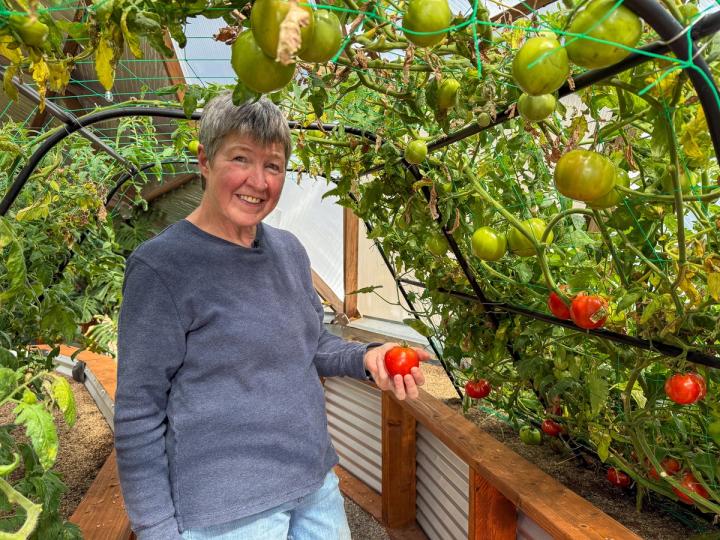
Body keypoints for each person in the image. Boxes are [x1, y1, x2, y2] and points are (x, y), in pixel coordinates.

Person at [114, 91, 430, 540]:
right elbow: (139, 412)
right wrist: (155, 529)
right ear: (205, 160)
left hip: (314, 485)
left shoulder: (288, 251)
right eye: (241, 158)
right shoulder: (162, 267)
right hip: (226, 513)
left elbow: (312, 343)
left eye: (274, 165)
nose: (258, 182)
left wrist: (367, 357)